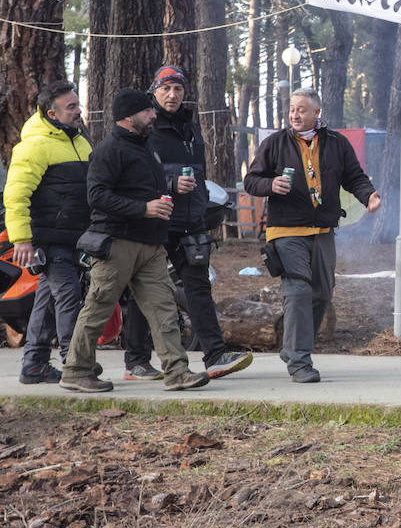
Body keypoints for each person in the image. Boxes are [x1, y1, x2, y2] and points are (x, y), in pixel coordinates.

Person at [60, 89, 209, 393]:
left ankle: (177, 371)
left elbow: (143, 188)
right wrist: (144, 208)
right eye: (147, 111)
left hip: (151, 243)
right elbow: (97, 196)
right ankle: (76, 371)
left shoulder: (146, 147)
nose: (154, 115)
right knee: (99, 307)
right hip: (117, 242)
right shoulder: (109, 149)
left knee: (164, 307)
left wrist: (161, 200)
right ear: (129, 117)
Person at [119, 66, 252, 382]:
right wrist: (169, 183)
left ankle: (215, 356)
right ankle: (136, 360)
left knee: (198, 286)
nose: (173, 95)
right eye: (166, 88)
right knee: (146, 290)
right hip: (156, 221)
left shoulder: (192, 129)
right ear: (155, 91)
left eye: (178, 89)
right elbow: (136, 175)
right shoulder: (146, 129)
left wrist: (202, 208)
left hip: (190, 222)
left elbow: (199, 173)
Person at [243, 88, 380, 383]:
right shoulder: (275, 143)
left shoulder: (336, 143)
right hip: (285, 230)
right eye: (292, 109)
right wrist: (271, 185)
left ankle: (293, 347)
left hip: (322, 230)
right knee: (298, 289)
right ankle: (299, 360)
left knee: (321, 293)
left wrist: (369, 195)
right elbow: (251, 180)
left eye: (302, 109)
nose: (295, 114)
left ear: (317, 113)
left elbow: (354, 177)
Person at [3, 80, 93, 384]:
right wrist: (23, 239)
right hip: (47, 239)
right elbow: (16, 195)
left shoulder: (80, 141)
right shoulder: (34, 145)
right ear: (52, 114)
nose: (79, 110)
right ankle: (75, 365)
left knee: (46, 299)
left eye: (77, 104)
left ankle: (34, 365)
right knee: (69, 297)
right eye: (71, 107)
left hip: (73, 238)